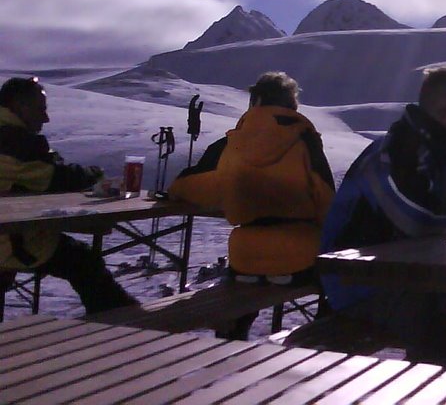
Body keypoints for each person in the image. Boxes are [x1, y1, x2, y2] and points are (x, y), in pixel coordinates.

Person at [320, 67, 446, 369]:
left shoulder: (433, 150)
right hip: (359, 283)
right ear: (444, 112)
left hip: (405, 276)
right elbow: (414, 215)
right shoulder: (399, 149)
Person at [170, 72, 335, 284]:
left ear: (255, 101)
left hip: (245, 259)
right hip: (298, 257)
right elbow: (327, 199)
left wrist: (177, 189)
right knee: (335, 289)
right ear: (292, 104)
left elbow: (199, 187)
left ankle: (235, 317)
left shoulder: (230, 144)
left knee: (239, 298)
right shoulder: (306, 141)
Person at [0, 76, 138, 314]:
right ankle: (122, 323)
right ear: (20, 106)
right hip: (11, 241)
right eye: (40, 109)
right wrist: (94, 175)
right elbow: (58, 178)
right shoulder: (16, 142)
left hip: (9, 232)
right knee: (84, 262)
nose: (46, 118)